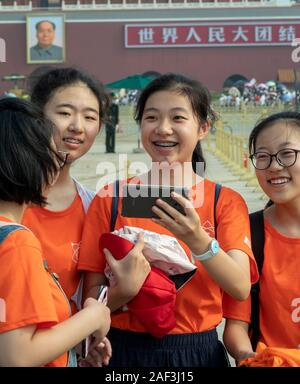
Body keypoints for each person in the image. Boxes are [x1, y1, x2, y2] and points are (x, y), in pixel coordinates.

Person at [78, 73, 258, 367]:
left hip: (197, 352)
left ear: (203, 127)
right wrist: (122, 291)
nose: (163, 129)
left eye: (177, 118)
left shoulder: (224, 201)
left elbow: (239, 287)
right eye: (151, 117)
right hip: (121, 350)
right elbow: (91, 294)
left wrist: (198, 240)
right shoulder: (110, 198)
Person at [0, 97, 111, 367]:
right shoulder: (17, 243)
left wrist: (70, 351)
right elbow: (17, 356)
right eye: (53, 155)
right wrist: (93, 317)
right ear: (28, 162)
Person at [23, 67, 110, 316]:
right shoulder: (8, 198)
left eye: (90, 117)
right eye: (64, 113)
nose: (77, 126)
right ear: (36, 116)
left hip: (64, 351)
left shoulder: (93, 206)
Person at [223, 111, 300, 365]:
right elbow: (236, 327)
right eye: (263, 157)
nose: (274, 166)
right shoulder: (250, 232)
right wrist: (249, 357)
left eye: (287, 154)